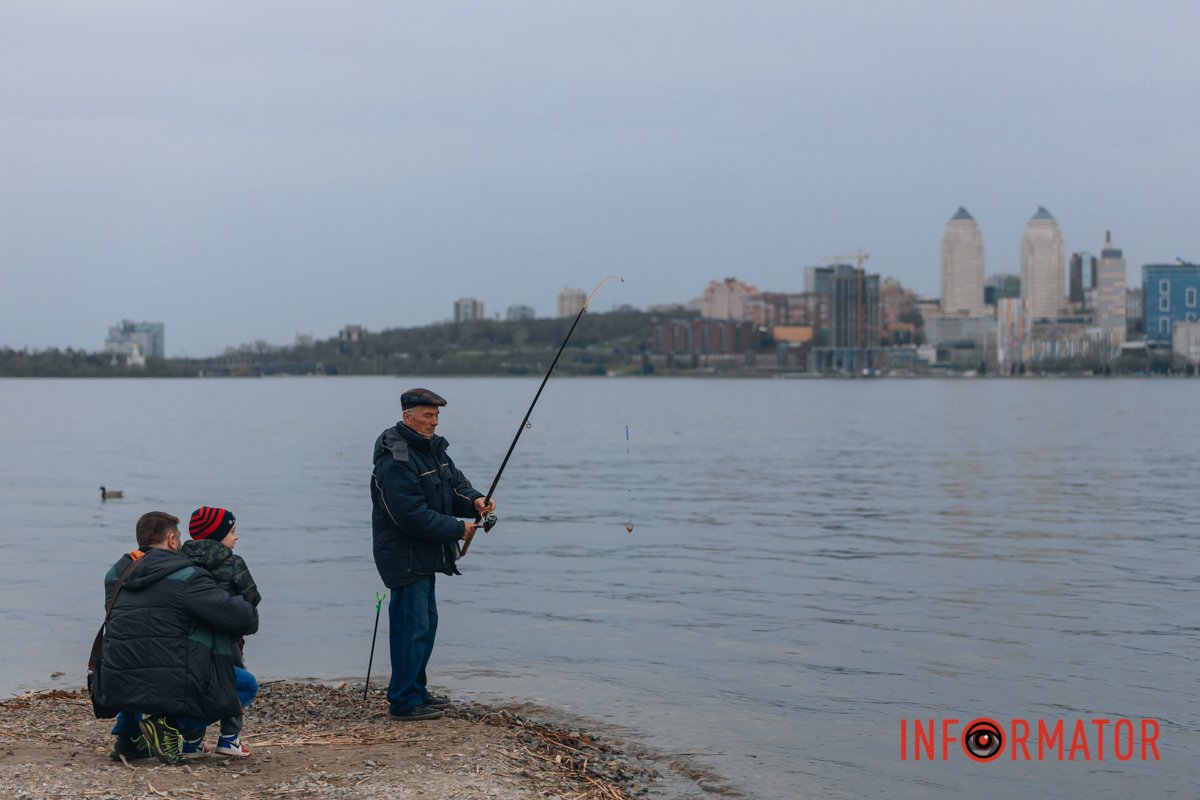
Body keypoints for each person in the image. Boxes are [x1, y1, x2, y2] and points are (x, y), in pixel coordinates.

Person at [370, 388, 496, 721]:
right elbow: (407, 513)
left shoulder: (434, 449)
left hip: (424, 553)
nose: (434, 421)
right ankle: (403, 701)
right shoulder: (395, 457)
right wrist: (457, 529)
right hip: (403, 554)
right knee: (411, 629)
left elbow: (453, 484)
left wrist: (475, 501)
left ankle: (416, 690)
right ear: (407, 416)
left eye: (437, 415)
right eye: (428, 415)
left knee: (426, 625)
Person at [95, 511, 259, 765]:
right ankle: (169, 725)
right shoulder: (188, 576)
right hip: (166, 681)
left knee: (133, 647)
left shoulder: (117, 574)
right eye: (180, 538)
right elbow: (241, 619)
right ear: (172, 540)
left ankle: (129, 737)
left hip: (113, 679)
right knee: (247, 684)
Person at [180, 506, 261, 758]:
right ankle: (229, 738)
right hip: (228, 638)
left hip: (193, 640)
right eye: (233, 531)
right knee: (233, 682)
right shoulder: (233, 561)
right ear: (217, 535)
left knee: (196, 686)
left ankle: (192, 743)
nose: (236, 537)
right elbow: (253, 597)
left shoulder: (181, 560)